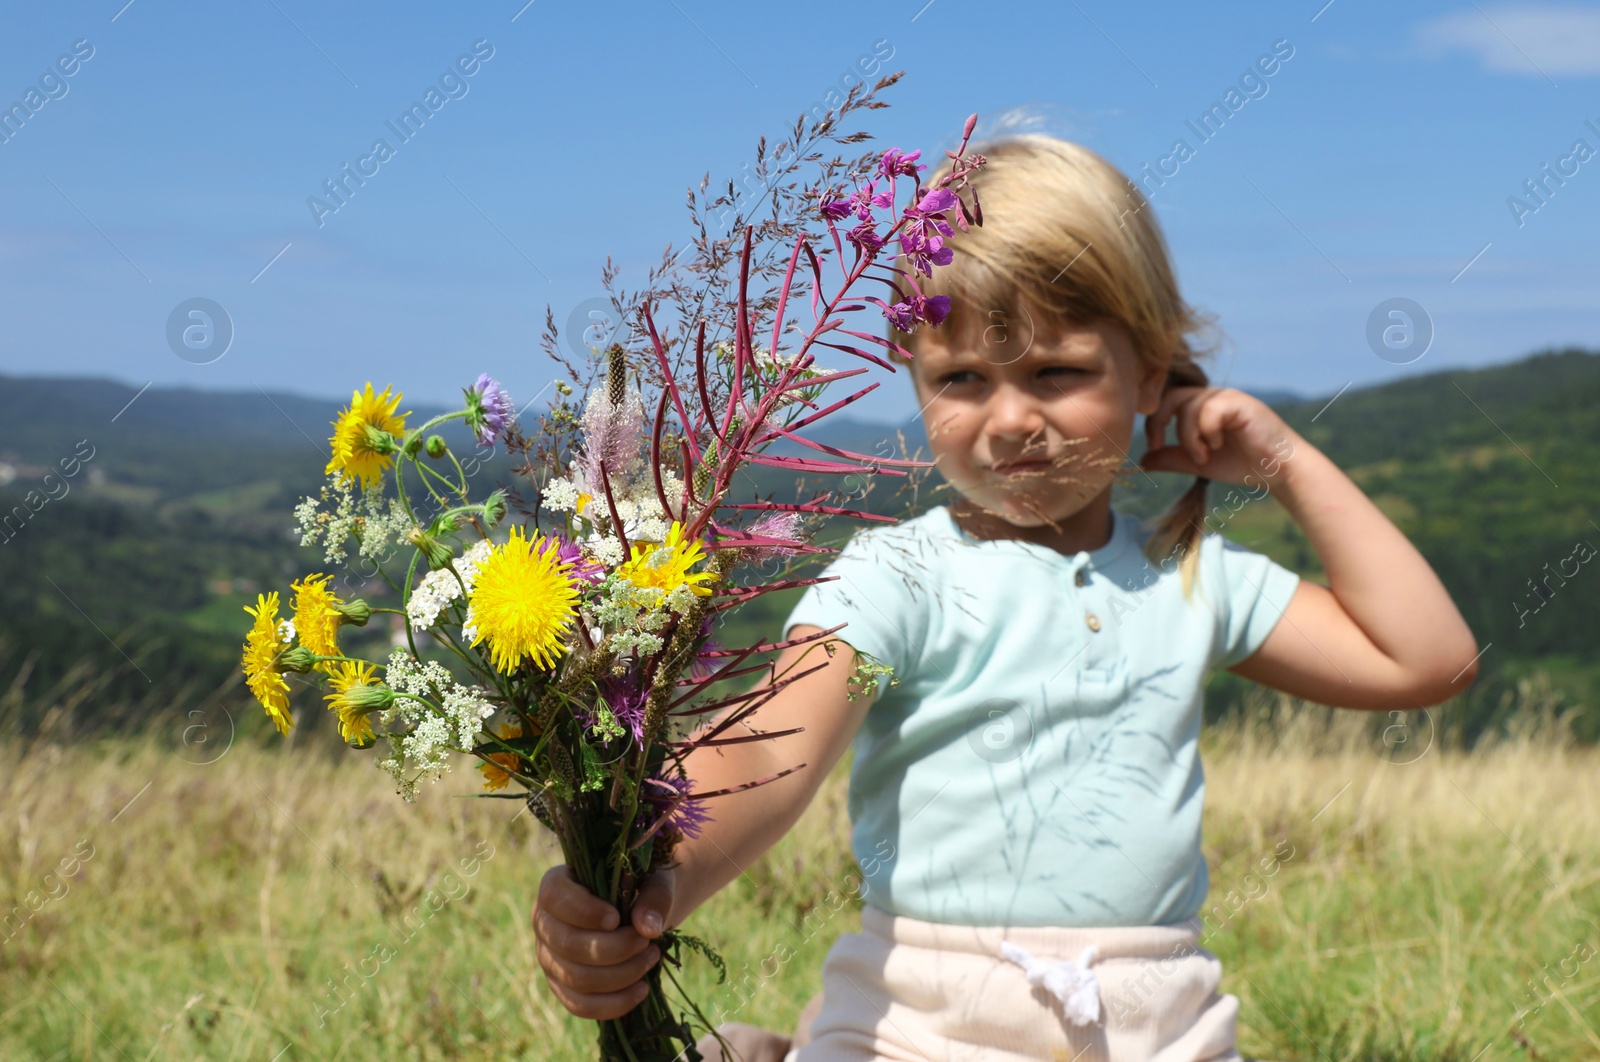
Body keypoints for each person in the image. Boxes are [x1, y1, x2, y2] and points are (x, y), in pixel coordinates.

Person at [530, 133, 1481, 1061]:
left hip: (1161, 1027)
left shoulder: (1190, 575)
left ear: (1150, 371)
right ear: (917, 380)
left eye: (1056, 372)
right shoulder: (894, 575)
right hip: (919, 1023)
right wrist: (649, 884)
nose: (1013, 420)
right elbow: (767, 746)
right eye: (962, 380)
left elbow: (1426, 658)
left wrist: (1283, 459)